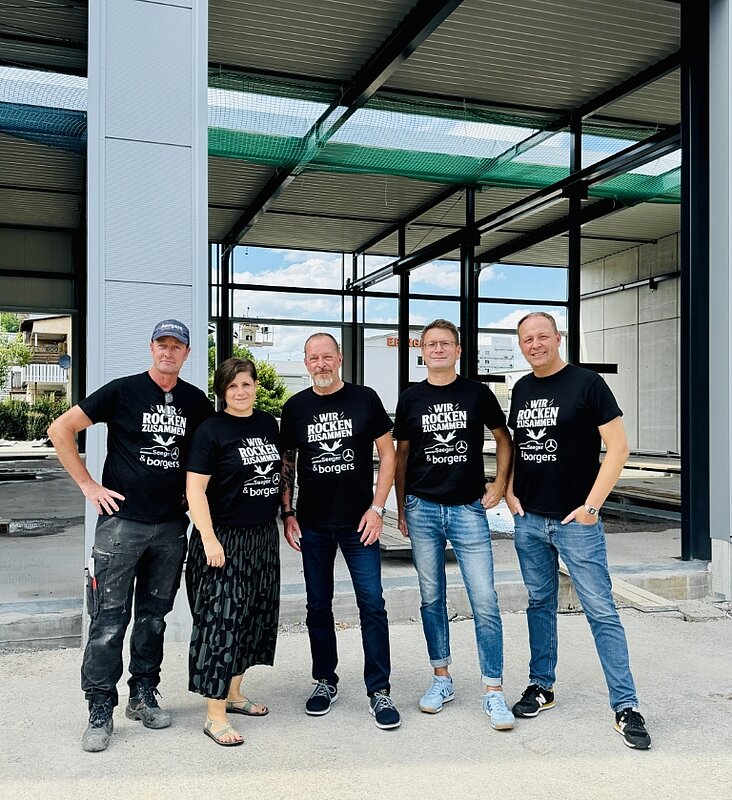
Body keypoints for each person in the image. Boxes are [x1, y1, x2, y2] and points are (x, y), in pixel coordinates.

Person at [47, 319, 213, 752]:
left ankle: (143, 693)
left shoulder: (197, 403)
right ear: (151, 347)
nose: (169, 352)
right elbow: (60, 429)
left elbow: (211, 456)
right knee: (107, 621)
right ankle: (100, 707)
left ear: (187, 354)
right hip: (121, 526)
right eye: (162, 344)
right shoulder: (122, 391)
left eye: (177, 346)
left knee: (153, 619)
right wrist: (88, 486)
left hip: (171, 528)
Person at [506, 311, 651, 750]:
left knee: (601, 611)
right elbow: (518, 446)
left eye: (543, 336)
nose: (535, 344)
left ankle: (625, 706)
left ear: (558, 338)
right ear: (521, 344)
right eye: (527, 339)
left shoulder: (588, 384)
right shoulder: (522, 388)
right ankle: (541, 687)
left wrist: (591, 507)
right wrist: (511, 491)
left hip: (576, 523)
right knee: (539, 604)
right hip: (529, 520)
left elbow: (619, 447)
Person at [394, 319, 515, 730]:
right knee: (432, 599)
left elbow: (504, 438)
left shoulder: (477, 394)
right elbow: (402, 454)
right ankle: (441, 678)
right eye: (432, 344)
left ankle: (494, 690)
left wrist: (499, 484)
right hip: (423, 508)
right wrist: (402, 506)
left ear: (459, 351)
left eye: (446, 344)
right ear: (422, 351)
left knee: (484, 599)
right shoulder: (411, 398)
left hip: (467, 510)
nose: (439, 349)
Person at [279, 332, 400, 730]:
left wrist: (378, 508)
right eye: (314, 358)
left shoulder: (364, 399)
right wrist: (288, 513)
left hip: (359, 523)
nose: (321, 364)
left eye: (327, 357)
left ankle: (379, 689)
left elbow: (388, 454)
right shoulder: (295, 408)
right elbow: (287, 464)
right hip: (312, 525)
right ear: (305, 362)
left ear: (340, 358)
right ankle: (324, 681)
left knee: (372, 605)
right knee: (318, 606)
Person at [185, 357, 282, 747]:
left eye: (246, 384)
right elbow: (195, 490)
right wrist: (209, 539)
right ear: (222, 392)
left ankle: (235, 693)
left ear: (255, 385)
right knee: (220, 622)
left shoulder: (267, 424)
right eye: (232, 387)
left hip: (262, 536)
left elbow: (281, 472)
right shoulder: (211, 430)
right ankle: (214, 714)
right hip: (224, 538)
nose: (240, 392)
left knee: (254, 617)